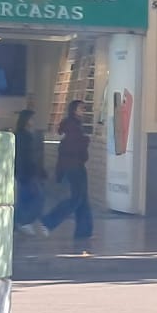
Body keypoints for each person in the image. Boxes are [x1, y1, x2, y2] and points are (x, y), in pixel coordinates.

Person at [40, 100, 94, 249]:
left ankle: (84, 231)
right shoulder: (73, 126)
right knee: (77, 199)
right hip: (75, 167)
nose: (83, 110)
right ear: (74, 110)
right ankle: (49, 221)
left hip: (74, 167)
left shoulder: (73, 125)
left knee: (82, 199)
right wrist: (85, 141)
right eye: (81, 108)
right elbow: (74, 148)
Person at [12, 109, 47, 234]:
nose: (33, 122)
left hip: (25, 172)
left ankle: (18, 223)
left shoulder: (24, 135)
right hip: (27, 172)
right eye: (31, 119)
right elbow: (26, 156)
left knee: (24, 199)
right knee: (36, 198)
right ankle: (24, 222)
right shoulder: (24, 137)